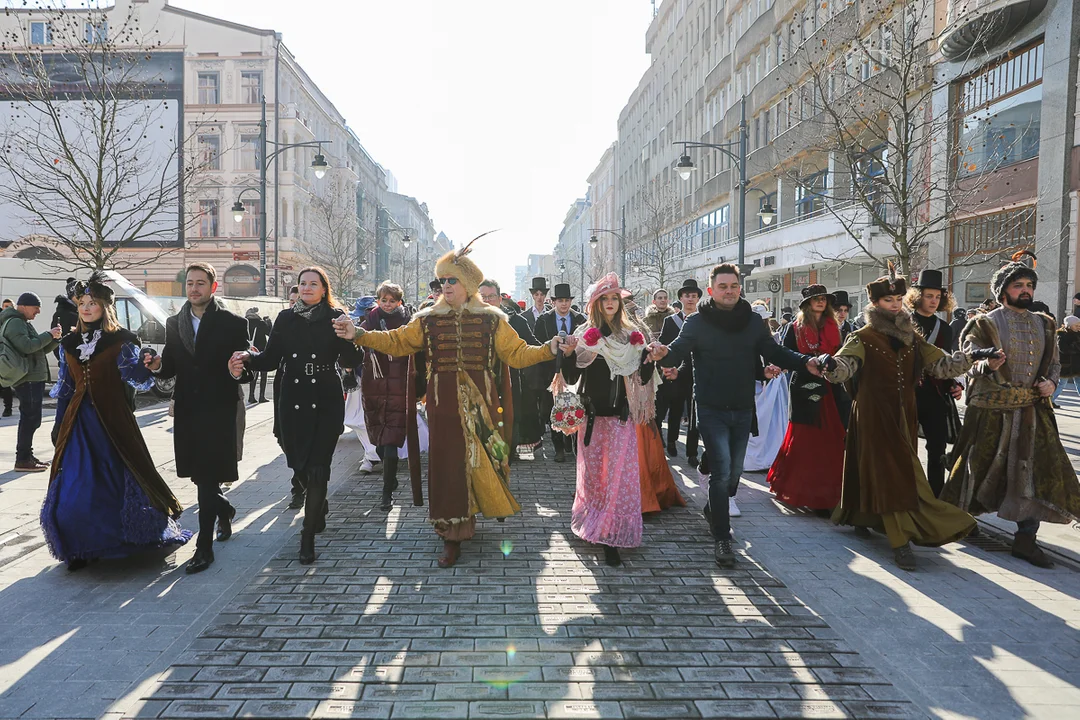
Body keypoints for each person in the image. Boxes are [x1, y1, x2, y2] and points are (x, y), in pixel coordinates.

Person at [334, 243, 569, 568]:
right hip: (442, 407)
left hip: (482, 408)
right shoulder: (428, 319)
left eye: (452, 280)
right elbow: (397, 341)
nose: (445, 285)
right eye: (443, 280)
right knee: (446, 470)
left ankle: (469, 516)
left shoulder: (492, 320)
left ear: (468, 284)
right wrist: (358, 333)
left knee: (480, 463)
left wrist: (548, 348)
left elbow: (517, 354)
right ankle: (451, 533)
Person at [648, 264, 822, 567]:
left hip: (743, 405)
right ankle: (722, 537)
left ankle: (715, 509)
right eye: (723, 286)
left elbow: (774, 351)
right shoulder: (697, 322)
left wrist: (805, 362)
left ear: (740, 288)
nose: (729, 291)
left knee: (734, 474)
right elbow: (677, 352)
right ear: (712, 289)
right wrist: (663, 353)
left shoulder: (753, 322)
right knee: (721, 469)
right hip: (710, 406)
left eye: (734, 286)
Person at [820, 266, 991, 570]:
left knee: (891, 471)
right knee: (892, 474)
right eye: (888, 301)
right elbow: (845, 365)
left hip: (905, 416)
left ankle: (864, 516)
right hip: (873, 415)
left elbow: (941, 366)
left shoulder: (913, 337)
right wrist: (831, 367)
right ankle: (900, 541)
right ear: (875, 304)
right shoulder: (863, 336)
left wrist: (972, 358)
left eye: (898, 299)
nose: (895, 305)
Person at [41, 273, 190, 571]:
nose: (85, 308)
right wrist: (59, 425)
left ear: (104, 307)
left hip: (113, 422)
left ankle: (122, 542)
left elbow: (135, 377)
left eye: (92, 303)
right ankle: (79, 548)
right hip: (78, 424)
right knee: (76, 486)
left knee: (115, 484)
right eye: (82, 303)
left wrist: (148, 366)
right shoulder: (68, 343)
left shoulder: (121, 341)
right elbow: (67, 388)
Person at [942, 254, 1080, 569]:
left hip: (1033, 410)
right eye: (1018, 285)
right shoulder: (984, 323)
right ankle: (961, 521)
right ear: (1003, 290)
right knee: (979, 469)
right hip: (991, 410)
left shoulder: (1045, 323)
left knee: (1034, 472)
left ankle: (1026, 539)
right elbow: (968, 362)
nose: (1026, 290)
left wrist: (1051, 382)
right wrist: (986, 365)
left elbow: (1055, 362)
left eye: (1029, 285)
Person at [231, 267, 362, 565]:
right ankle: (319, 501)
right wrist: (248, 358)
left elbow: (352, 360)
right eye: (302, 283)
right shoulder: (285, 318)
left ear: (324, 289)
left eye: (313, 284)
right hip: (292, 397)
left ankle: (307, 536)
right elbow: (270, 359)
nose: (306, 288)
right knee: (295, 458)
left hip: (326, 398)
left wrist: (351, 336)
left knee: (318, 468)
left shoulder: (335, 318)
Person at [561, 272, 682, 567]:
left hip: (621, 418)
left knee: (618, 479)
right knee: (594, 479)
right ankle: (594, 524)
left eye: (615, 297)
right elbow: (571, 377)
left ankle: (610, 535)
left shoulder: (632, 337)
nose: (611, 302)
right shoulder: (586, 336)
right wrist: (566, 354)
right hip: (592, 419)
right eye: (605, 298)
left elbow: (640, 379)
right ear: (596, 303)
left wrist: (647, 360)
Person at [146, 263, 249, 574]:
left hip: (219, 407)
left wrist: (238, 369)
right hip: (189, 408)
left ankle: (204, 547)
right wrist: (155, 366)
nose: (194, 288)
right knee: (197, 474)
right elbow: (171, 367)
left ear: (213, 287)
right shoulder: (174, 322)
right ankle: (225, 508)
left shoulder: (233, 322)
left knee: (207, 476)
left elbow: (246, 365)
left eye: (200, 283)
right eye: (190, 283)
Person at [767, 285, 849, 511]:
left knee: (832, 437)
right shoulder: (795, 327)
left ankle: (829, 494)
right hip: (804, 385)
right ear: (807, 304)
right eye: (816, 299)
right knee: (804, 436)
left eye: (823, 299)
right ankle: (801, 489)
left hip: (832, 387)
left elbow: (842, 354)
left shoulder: (836, 326)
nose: (821, 302)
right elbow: (787, 354)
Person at [360, 281, 420, 510]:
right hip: (373, 384)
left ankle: (386, 494)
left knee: (392, 442)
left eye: (392, 300)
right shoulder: (368, 322)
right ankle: (390, 477)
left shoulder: (408, 323)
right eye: (383, 300)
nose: (387, 304)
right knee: (379, 444)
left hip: (399, 385)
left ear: (400, 301)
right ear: (377, 300)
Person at [905, 270, 963, 497]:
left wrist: (956, 384)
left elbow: (946, 362)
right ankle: (907, 494)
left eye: (937, 297)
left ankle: (935, 496)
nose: (933, 301)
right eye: (929, 296)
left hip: (936, 395)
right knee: (906, 447)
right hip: (908, 394)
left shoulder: (945, 328)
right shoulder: (903, 323)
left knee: (937, 448)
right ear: (918, 296)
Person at [480, 279, 543, 460]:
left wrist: (552, 350)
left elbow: (532, 346)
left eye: (491, 296)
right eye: (482, 297)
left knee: (510, 416)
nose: (486, 301)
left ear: (499, 299)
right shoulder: (469, 321)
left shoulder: (515, 321)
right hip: (480, 381)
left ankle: (508, 453)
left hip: (510, 379)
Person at [1, 292, 61, 471]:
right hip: (27, 378)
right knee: (30, 418)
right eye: (36, 308)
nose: (38, 312)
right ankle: (22, 459)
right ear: (24, 306)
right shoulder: (15, 322)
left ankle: (27, 455)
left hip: (31, 377)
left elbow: (38, 349)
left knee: (32, 418)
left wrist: (55, 338)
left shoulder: (23, 322)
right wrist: (48, 334)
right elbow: (27, 347)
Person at [534, 283, 586, 463]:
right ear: (554, 302)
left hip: (574, 373)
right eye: (560, 301)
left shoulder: (580, 319)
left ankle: (571, 443)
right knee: (554, 409)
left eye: (567, 301)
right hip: (551, 373)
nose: (564, 304)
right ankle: (558, 448)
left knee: (573, 407)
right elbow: (538, 345)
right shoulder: (543, 320)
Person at [657, 279, 703, 462]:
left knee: (693, 414)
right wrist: (667, 367)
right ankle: (672, 441)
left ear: (699, 298)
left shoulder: (703, 320)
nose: (691, 299)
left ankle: (692, 453)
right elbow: (664, 346)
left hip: (696, 372)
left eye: (694, 296)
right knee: (675, 410)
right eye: (687, 296)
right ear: (681, 298)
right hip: (675, 373)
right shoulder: (671, 321)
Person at [743, 304, 789, 472]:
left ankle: (770, 454)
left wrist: (780, 367)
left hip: (770, 385)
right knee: (756, 421)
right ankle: (751, 457)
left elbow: (779, 355)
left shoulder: (773, 337)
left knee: (770, 421)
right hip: (754, 385)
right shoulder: (745, 338)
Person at [343, 297, 383, 476]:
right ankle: (371, 454)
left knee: (368, 419)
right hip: (360, 379)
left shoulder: (380, 327)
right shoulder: (354, 329)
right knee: (357, 419)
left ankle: (373, 454)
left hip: (376, 379)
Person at [244, 307, 271, 404]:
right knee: (263, 374)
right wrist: (268, 322)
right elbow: (269, 333)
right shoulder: (260, 323)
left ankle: (251, 396)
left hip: (251, 351)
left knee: (253, 374)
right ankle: (261, 396)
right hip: (262, 351)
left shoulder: (245, 321)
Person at [1052, 315, 1080, 405]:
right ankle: (1050, 401)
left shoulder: (1078, 334)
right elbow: (1063, 349)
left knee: (1079, 383)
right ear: (1069, 325)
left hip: (1077, 364)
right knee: (1061, 384)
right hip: (1066, 365)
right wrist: (1076, 347)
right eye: (1076, 325)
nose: (1079, 327)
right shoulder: (1061, 335)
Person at [50, 278, 78, 358]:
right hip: (69, 362)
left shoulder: (77, 312)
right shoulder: (63, 314)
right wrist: (64, 361)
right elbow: (57, 341)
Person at [0, 299, 12, 416]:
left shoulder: (13, 321)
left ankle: (8, 408)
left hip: (8, 357)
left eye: (9, 306)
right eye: (5, 306)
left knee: (5, 385)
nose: (6, 308)